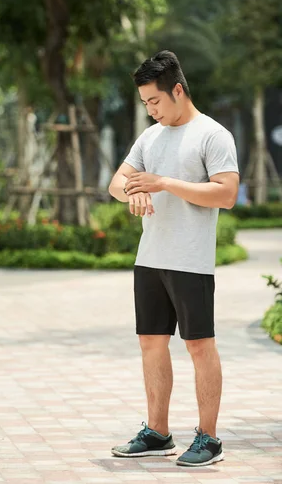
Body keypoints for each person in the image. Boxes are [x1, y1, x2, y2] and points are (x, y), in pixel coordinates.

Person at [108, 50, 239, 467]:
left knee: (199, 345)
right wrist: (135, 190)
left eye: (155, 102)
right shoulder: (150, 137)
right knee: (151, 343)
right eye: (145, 103)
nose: (151, 111)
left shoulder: (212, 135)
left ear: (178, 90)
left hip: (191, 260)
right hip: (151, 257)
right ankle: (157, 432)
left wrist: (163, 182)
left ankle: (209, 439)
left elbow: (226, 194)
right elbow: (116, 182)